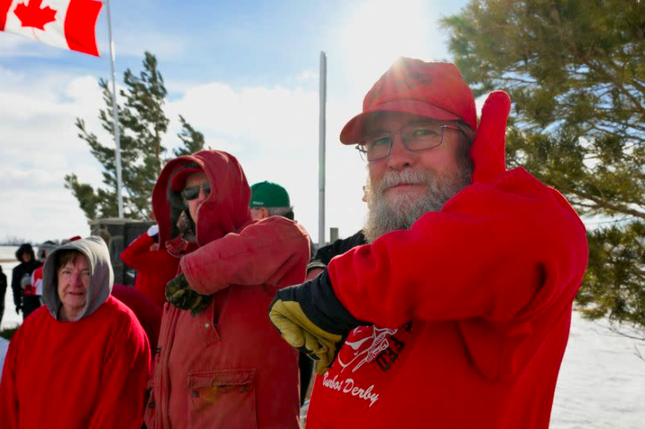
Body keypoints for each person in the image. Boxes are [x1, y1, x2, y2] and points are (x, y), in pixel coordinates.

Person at [268, 58, 589, 429]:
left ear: (470, 148)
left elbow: (529, 236)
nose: (396, 158)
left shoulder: (527, 235)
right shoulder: (374, 256)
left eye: (422, 132)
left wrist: (338, 290)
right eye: (378, 142)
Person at [145, 150, 310, 429]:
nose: (200, 198)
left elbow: (294, 239)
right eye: (190, 192)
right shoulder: (186, 260)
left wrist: (197, 274)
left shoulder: (269, 242)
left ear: (232, 192)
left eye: (209, 189)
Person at [0, 236, 150, 428]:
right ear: (55, 275)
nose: (75, 282)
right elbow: (9, 398)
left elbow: (118, 412)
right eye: (67, 272)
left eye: (86, 273)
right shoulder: (33, 325)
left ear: (101, 278)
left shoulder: (122, 326)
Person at [249, 180, 314, 405]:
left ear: (261, 212)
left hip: (277, 355)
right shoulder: (299, 237)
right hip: (298, 349)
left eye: (249, 210)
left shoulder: (270, 244)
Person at [120, 224, 180, 308]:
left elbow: (127, 255)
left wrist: (149, 237)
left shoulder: (163, 257)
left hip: (149, 310)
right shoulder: (173, 255)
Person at [24, 241, 58, 319]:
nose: (46, 254)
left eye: (49, 252)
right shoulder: (36, 271)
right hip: (38, 299)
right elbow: (32, 287)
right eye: (44, 252)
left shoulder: (58, 270)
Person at [10, 244, 41, 320]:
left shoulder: (39, 266)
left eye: (27, 253)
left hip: (40, 301)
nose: (25, 256)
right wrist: (17, 304)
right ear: (20, 255)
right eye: (23, 254)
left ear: (31, 254)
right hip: (26, 302)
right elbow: (15, 289)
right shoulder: (17, 270)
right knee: (28, 326)